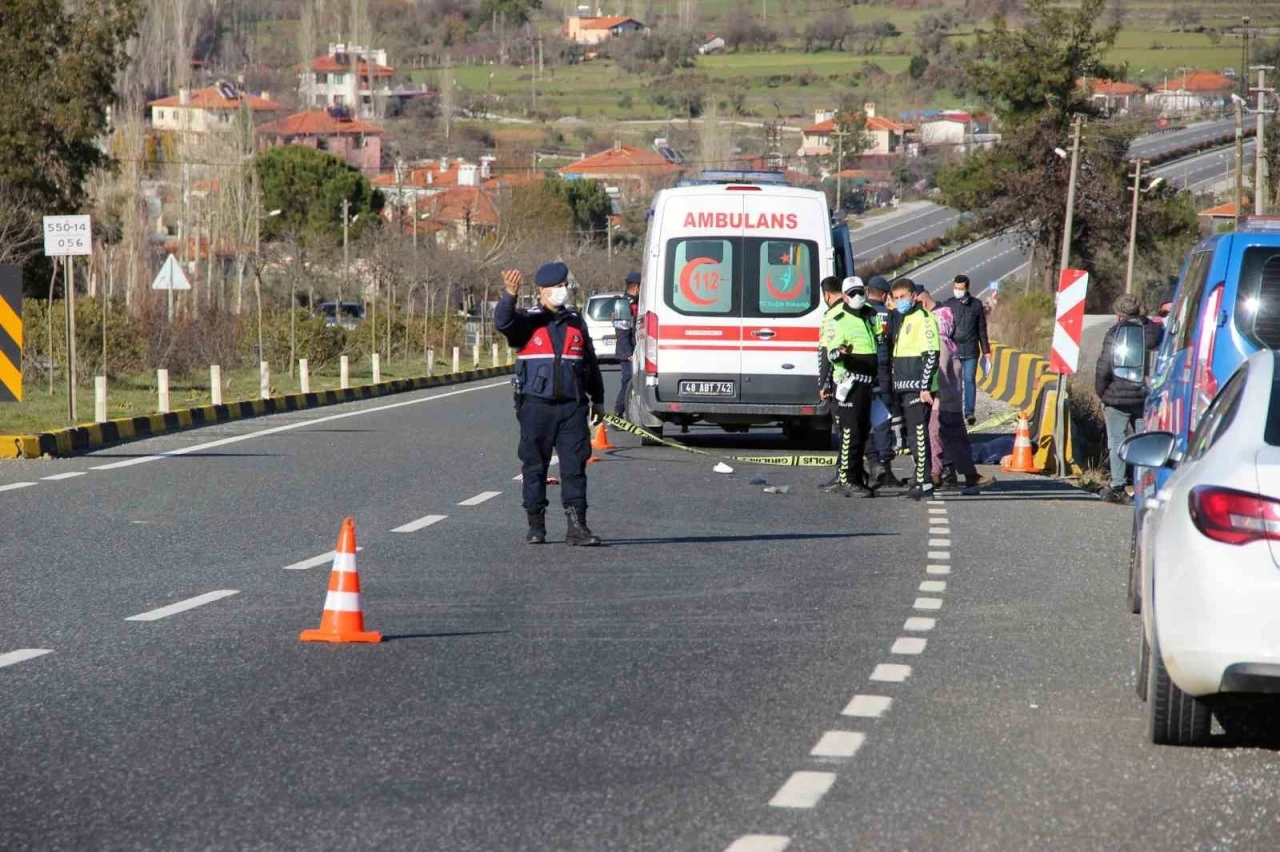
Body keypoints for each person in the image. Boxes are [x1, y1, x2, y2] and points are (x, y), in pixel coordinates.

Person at [495, 263, 605, 545]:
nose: (563, 291)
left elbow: (589, 363)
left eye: (565, 285)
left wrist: (599, 400)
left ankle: (577, 527)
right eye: (557, 287)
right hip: (536, 406)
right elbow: (504, 323)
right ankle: (536, 525)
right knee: (534, 466)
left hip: (572, 407)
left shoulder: (575, 321)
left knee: (574, 467)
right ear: (542, 290)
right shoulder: (528, 321)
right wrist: (509, 295)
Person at [817, 276, 887, 497]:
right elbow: (830, 352)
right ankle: (847, 479)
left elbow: (878, 342)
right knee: (850, 432)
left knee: (862, 432)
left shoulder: (870, 315)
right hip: (849, 382)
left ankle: (856, 477)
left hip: (867, 383)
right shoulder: (838, 318)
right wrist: (840, 354)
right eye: (853, 293)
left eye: (860, 292)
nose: (858, 297)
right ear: (845, 296)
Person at [1095, 293, 1164, 505]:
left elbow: (1104, 367)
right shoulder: (1155, 332)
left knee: (1116, 440)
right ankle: (1145, 485)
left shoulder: (1116, 334)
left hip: (1116, 397)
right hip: (1145, 396)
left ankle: (1117, 485)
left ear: (1119, 314)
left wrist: (1102, 392)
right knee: (1144, 442)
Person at [929, 306, 991, 496]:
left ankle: (939, 474)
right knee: (945, 440)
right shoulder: (942, 346)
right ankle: (937, 474)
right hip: (944, 404)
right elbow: (940, 375)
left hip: (948, 403)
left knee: (945, 440)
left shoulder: (948, 345)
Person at [890, 277, 941, 500]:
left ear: (913, 296)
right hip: (903, 386)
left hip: (917, 388)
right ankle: (920, 479)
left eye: (903, 297)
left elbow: (931, 354)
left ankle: (925, 482)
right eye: (896, 297)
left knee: (919, 435)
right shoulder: (903, 319)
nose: (900, 301)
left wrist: (924, 387)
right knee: (912, 436)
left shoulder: (924, 318)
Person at [942, 274, 992, 427]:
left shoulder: (976, 305)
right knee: (954, 381)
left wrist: (986, 351)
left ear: (967, 288)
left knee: (969, 379)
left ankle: (969, 411)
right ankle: (953, 410)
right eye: (955, 288)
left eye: (960, 288)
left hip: (971, 349)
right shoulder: (949, 304)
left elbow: (982, 330)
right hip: (954, 349)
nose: (957, 291)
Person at [613, 271, 641, 417]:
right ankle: (618, 412)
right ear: (637, 287)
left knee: (633, 381)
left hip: (637, 349)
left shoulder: (638, 303)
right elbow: (622, 333)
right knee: (629, 380)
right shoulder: (623, 304)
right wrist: (629, 353)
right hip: (628, 351)